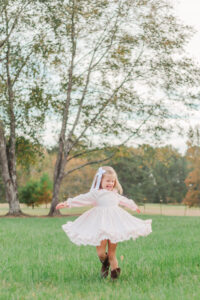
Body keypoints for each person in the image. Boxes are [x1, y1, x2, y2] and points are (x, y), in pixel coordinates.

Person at [56, 166, 152, 280]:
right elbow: (82, 199)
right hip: (100, 225)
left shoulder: (115, 194)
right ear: (100, 180)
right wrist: (67, 203)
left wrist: (133, 206)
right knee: (101, 253)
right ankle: (105, 263)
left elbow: (124, 200)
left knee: (112, 253)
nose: (110, 183)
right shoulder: (96, 193)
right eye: (108, 181)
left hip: (114, 225)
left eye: (112, 181)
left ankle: (114, 276)